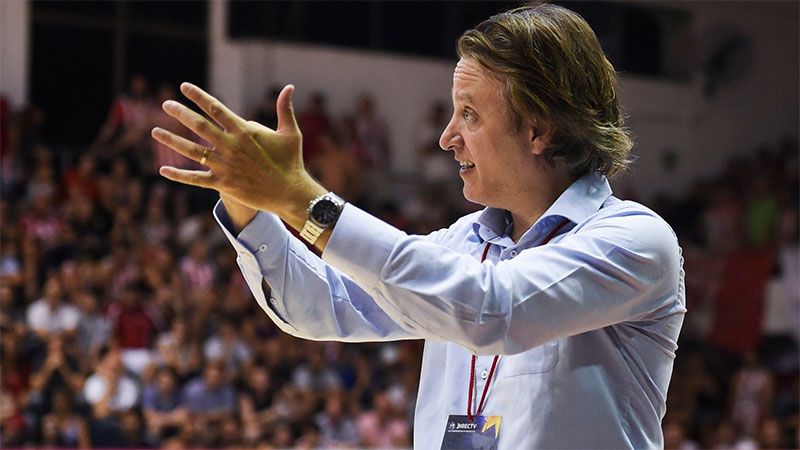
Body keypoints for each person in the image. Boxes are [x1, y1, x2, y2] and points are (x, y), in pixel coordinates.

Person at [152, 4, 686, 448]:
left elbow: (495, 310)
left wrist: (302, 200)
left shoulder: (635, 241)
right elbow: (315, 305)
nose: (447, 137)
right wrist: (248, 198)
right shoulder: (461, 242)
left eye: (469, 114)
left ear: (538, 130)